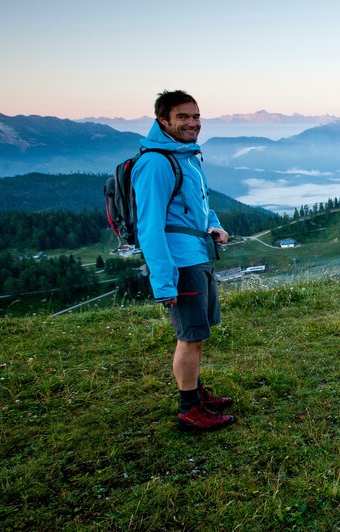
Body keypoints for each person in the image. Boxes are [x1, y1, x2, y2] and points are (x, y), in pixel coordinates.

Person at [132, 90, 235, 431]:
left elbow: (200, 205)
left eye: (196, 116)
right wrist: (163, 281)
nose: (192, 123)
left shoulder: (186, 156)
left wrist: (213, 225)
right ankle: (188, 408)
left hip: (198, 256)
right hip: (181, 265)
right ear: (163, 121)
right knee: (189, 336)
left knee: (198, 333)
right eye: (183, 118)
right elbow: (150, 228)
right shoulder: (156, 163)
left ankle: (195, 392)